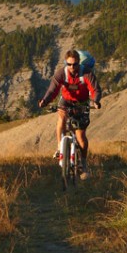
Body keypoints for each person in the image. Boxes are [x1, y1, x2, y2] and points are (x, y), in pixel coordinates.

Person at [38, 50, 102, 180]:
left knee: (81, 136)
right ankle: (60, 147)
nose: (72, 67)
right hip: (66, 100)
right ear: (66, 63)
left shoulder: (87, 73)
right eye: (69, 64)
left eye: (75, 64)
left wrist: (95, 101)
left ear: (79, 63)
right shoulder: (62, 73)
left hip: (82, 103)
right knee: (61, 118)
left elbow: (95, 89)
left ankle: (83, 164)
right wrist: (45, 101)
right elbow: (53, 89)